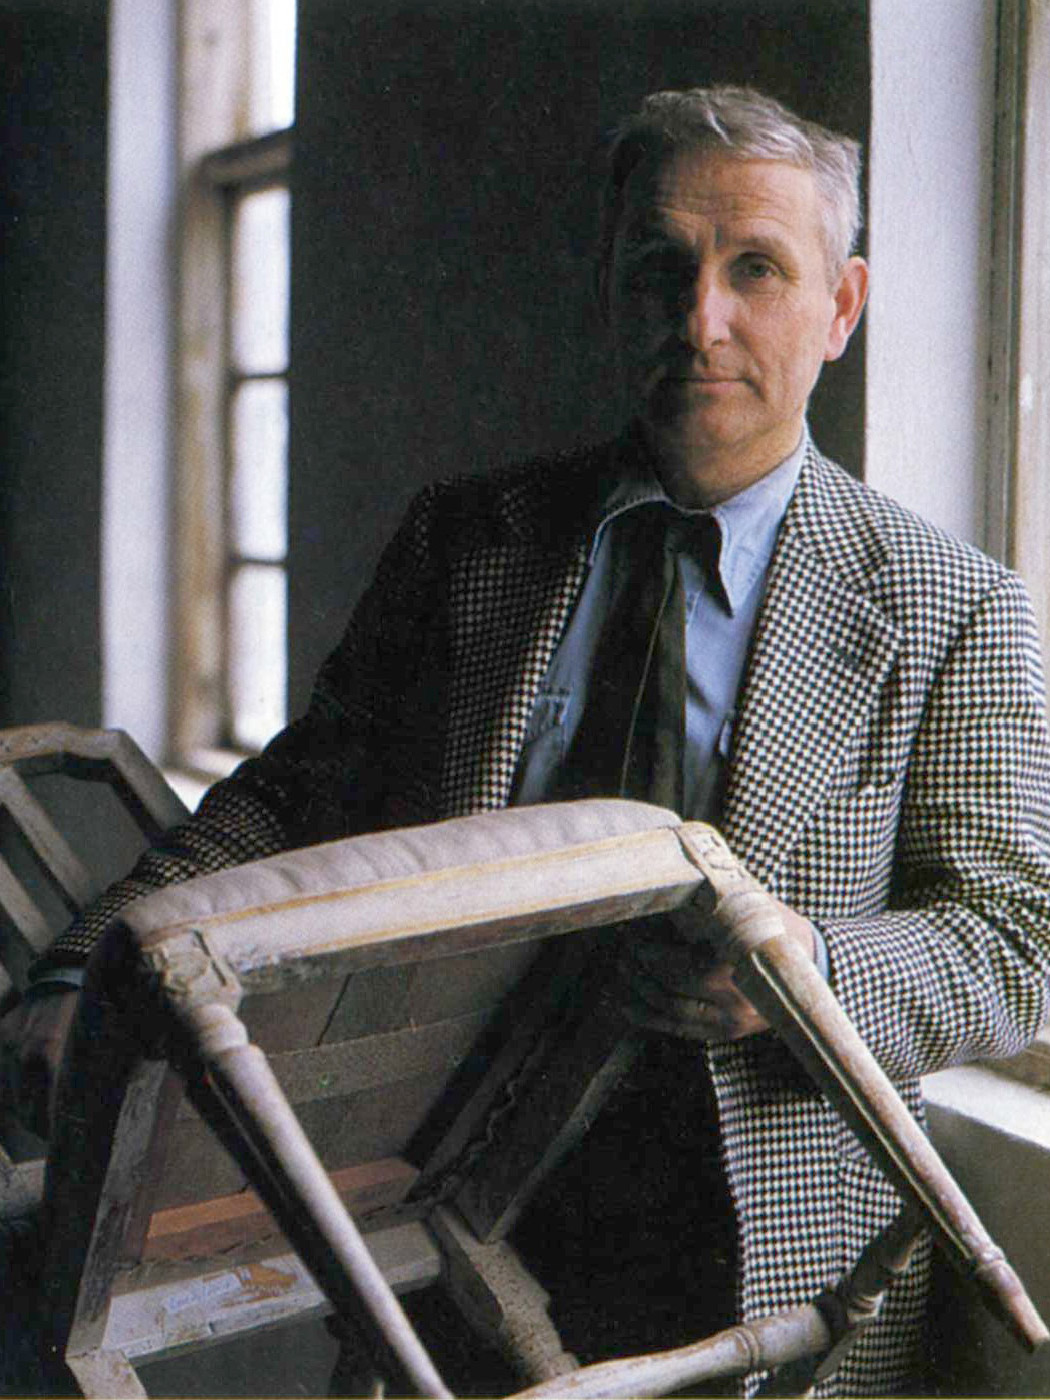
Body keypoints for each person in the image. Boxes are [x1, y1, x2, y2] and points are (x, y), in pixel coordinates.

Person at [5, 85, 1050, 1396]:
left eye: (755, 271)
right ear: (611, 290)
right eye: (659, 270)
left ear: (838, 308)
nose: (700, 321)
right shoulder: (472, 544)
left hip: (761, 1264)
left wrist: (811, 972)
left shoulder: (949, 606)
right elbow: (292, 800)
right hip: (438, 1213)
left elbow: (1023, 939)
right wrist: (80, 976)